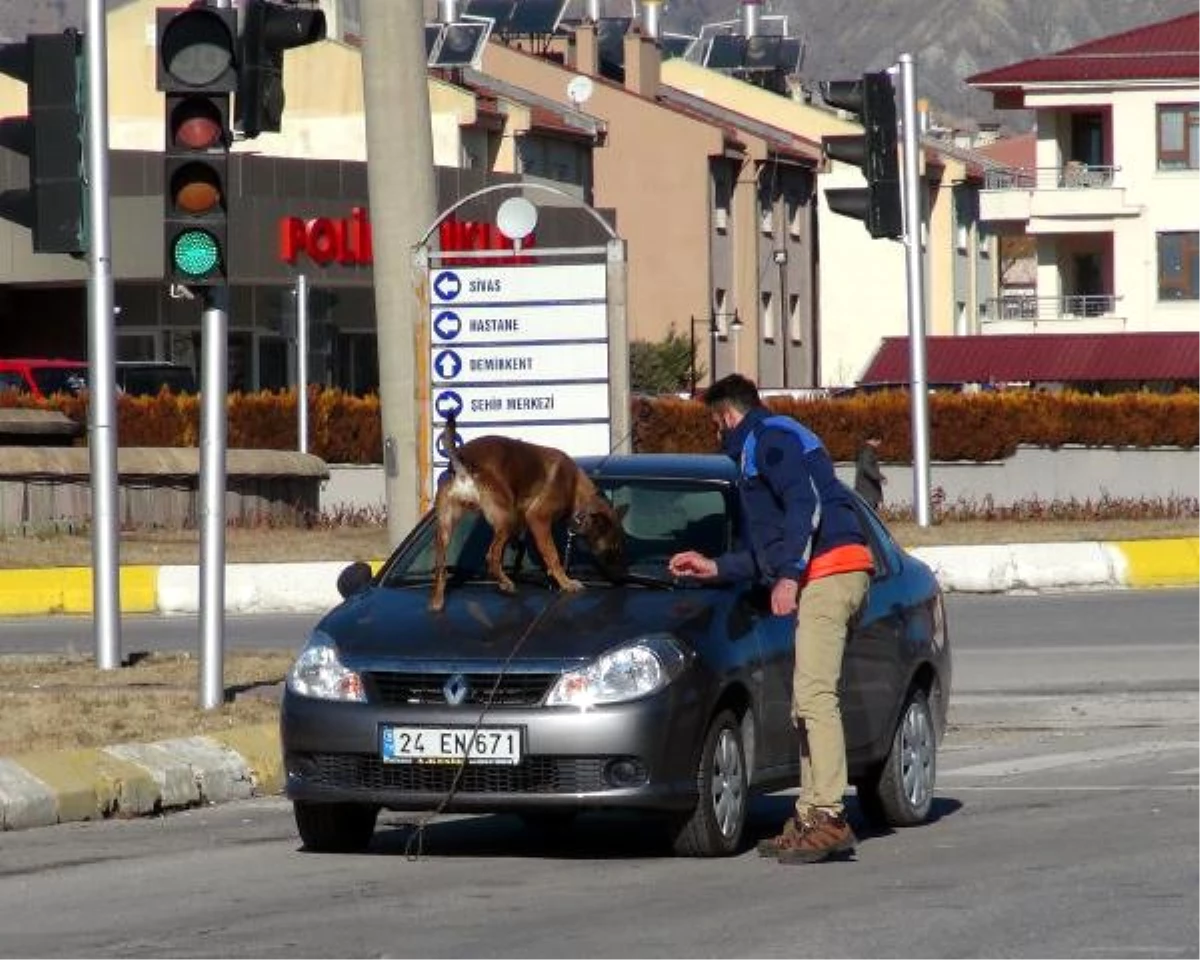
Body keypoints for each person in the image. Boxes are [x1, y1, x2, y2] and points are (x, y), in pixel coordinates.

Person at [668, 374, 874, 864]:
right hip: (829, 571)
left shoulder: (769, 437)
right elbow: (769, 543)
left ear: (727, 417)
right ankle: (809, 816)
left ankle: (828, 817)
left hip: (830, 571)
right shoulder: (769, 441)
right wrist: (715, 566)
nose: (717, 435)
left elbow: (808, 503)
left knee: (815, 697)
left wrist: (791, 574)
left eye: (715, 424)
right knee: (806, 700)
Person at [854, 433, 886, 511]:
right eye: (879, 441)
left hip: (866, 490)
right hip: (867, 491)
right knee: (869, 515)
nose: (879, 444)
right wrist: (880, 477)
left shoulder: (865, 451)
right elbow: (867, 468)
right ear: (875, 440)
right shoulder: (868, 452)